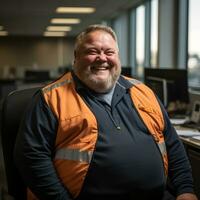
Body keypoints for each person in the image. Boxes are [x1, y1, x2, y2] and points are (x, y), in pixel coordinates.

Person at [14, 24, 198, 200]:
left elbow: (173, 145)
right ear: (76, 57)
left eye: (109, 52)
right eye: (92, 51)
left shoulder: (144, 92)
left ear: (118, 58)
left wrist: (185, 190)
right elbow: (31, 157)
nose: (102, 58)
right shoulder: (51, 98)